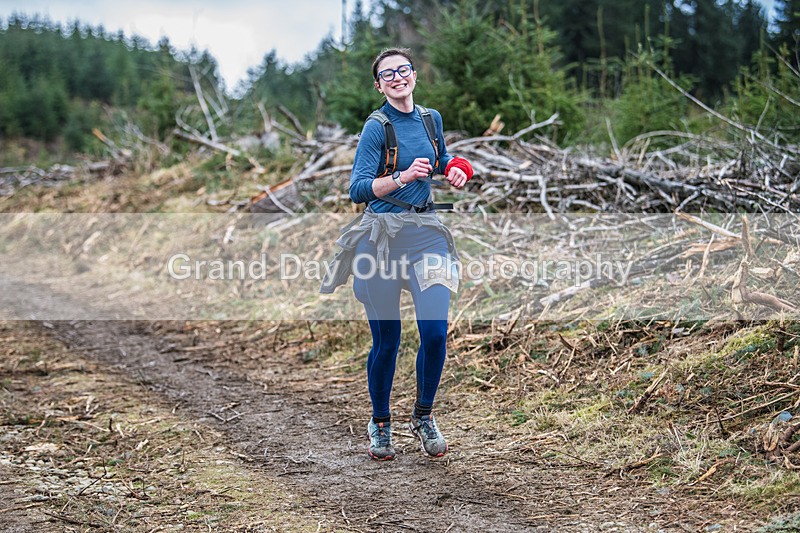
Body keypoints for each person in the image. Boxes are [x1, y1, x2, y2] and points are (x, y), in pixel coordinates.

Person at [320, 47, 474, 461]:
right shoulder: (376, 127)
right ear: (379, 84)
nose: (397, 78)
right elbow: (357, 189)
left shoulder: (429, 118)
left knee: (436, 333)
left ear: (414, 75)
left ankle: (423, 416)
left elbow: (441, 159)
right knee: (388, 341)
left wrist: (458, 168)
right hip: (381, 240)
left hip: (426, 236)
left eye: (403, 70)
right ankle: (381, 423)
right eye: (388, 74)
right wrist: (401, 177)